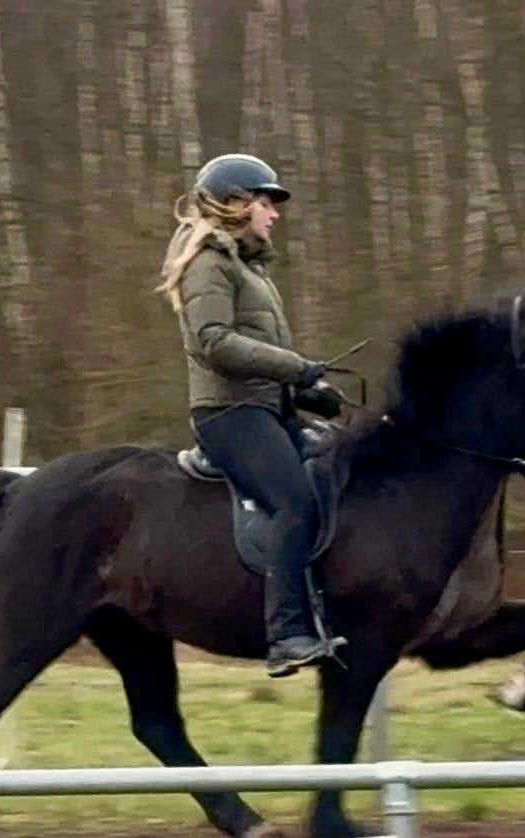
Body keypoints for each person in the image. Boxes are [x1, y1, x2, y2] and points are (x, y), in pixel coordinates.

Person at [158, 153, 345, 678]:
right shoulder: (208, 264)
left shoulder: (248, 266)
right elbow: (215, 344)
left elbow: (258, 354)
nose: (275, 214)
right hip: (229, 416)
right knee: (294, 502)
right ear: (236, 205)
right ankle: (286, 634)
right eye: (267, 202)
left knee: (336, 465)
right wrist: (298, 368)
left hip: (263, 408)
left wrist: (310, 392)